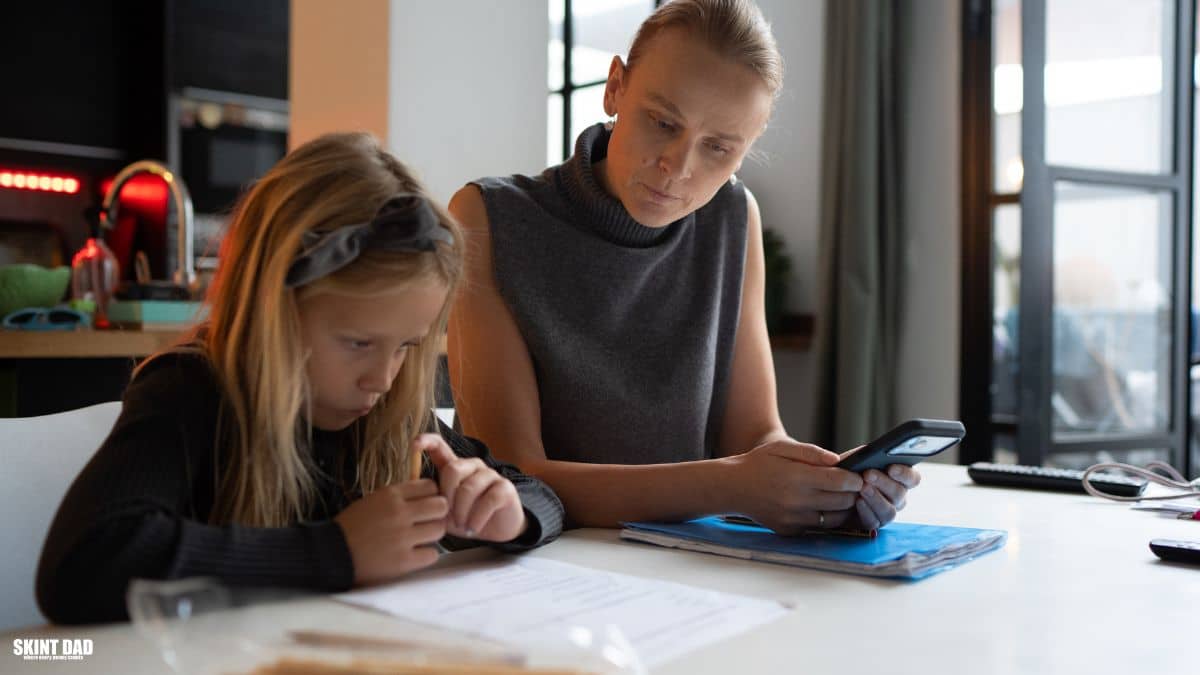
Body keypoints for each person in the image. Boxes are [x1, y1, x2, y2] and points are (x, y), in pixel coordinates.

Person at [37, 132, 563, 624]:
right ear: (273, 307)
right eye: (358, 343)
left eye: (406, 346)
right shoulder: (189, 392)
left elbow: (541, 495)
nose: (381, 378)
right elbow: (81, 565)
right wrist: (335, 551)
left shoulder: (390, 413)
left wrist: (509, 512)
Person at [447, 0, 919, 534]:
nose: (678, 166)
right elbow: (510, 479)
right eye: (662, 121)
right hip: (541, 575)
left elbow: (756, 438)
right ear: (615, 87)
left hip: (692, 572)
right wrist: (731, 484)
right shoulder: (489, 218)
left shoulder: (733, 218)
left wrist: (825, 482)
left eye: (718, 147)